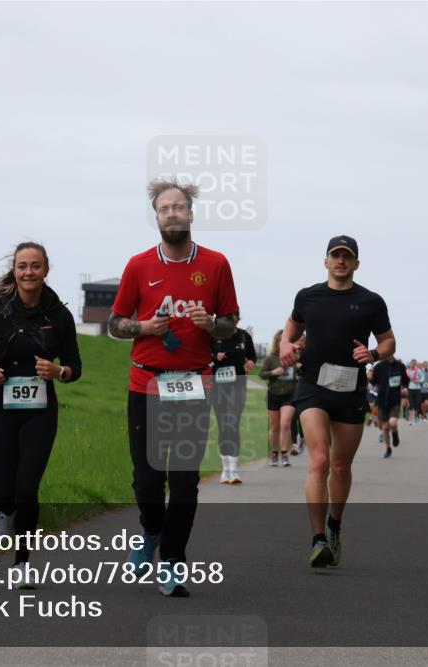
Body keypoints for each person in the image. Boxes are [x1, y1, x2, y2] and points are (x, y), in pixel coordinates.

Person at [108, 178, 240, 597]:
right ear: (156, 216)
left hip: (193, 385)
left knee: (183, 482)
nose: (171, 214)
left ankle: (174, 561)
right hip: (145, 383)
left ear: (191, 213)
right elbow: (114, 324)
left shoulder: (216, 264)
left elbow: (230, 323)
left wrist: (211, 325)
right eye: (164, 209)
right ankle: (150, 532)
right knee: (147, 481)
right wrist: (142, 327)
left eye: (178, 208)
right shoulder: (138, 265)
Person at [0, 242, 82, 588]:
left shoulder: (59, 315)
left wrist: (58, 371)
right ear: (14, 271)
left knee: (27, 487)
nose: (28, 272)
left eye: (35, 266)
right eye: (22, 266)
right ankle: (3, 510)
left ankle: (23, 563)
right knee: (1, 491)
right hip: (2, 406)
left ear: (46, 270)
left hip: (40, 412)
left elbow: (76, 366)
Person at [280, 235, 395, 568]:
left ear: (356, 263)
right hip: (313, 385)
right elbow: (293, 324)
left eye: (347, 256)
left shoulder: (371, 301)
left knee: (341, 465)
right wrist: (287, 343)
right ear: (325, 261)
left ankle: (334, 527)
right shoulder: (308, 296)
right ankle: (318, 540)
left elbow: (389, 341)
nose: (341, 261)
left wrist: (373, 354)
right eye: (335, 255)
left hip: (351, 389)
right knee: (319, 460)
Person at [211, 322, 257, 482]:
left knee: (233, 423)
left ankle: (234, 470)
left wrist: (251, 362)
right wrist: (215, 358)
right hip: (217, 387)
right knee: (223, 425)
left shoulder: (244, 336)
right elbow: (204, 356)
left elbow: (253, 356)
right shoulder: (212, 335)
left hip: (238, 386)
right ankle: (225, 470)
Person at [259, 330, 298, 468]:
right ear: (277, 342)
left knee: (285, 424)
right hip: (274, 394)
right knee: (274, 427)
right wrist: (273, 372)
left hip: (289, 394)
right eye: (281, 341)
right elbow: (261, 374)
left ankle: (284, 453)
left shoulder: (294, 357)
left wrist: (300, 368)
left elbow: (302, 374)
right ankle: (274, 453)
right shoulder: (271, 359)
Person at [372, 356, 408, 459]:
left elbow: (405, 380)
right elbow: (374, 380)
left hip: (395, 400)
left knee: (393, 423)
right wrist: (374, 385)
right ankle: (388, 448)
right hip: (382, 401)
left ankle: (395, 433)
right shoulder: (379, 366)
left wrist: (405, 388)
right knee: (385, 427)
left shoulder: (400, 366)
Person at [406, 358, 422, 424]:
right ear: (410, 363)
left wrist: (418, 381)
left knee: (417, 403)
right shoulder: (407, 371)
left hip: (417, 388)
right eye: (412, 363)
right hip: (410, 388)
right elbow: (405, 379)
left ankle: (416, 416)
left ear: (416, 364)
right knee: (411, 403)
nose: (413, 364)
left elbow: (422, 378)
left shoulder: (418, 371)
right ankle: (410, 418)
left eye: (414, 363)